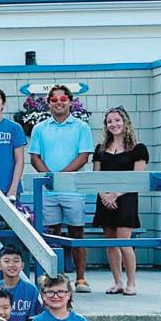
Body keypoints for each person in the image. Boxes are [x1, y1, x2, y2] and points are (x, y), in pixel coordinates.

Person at [29, 84, 94, 293]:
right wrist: (50, 178)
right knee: (51, 233)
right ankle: (51, 279)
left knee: (77, 232)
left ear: (70, 101)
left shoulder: (81, 127)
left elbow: (83, 156)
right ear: (48, 103)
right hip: (49, 190)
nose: (59, 103)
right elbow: (34, 157)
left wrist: (61, 178)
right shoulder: (40, 129)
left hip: (73, 189)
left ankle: (81, 279)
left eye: (63, 99)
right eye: (54, 100)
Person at [92, 107, 148, 295]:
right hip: (105, 199)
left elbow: (137, 178)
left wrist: (115, 194)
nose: (113, 124)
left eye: (117, 120)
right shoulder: (100, 149)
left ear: (125, 122)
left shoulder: (138, 149)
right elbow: (95, 176)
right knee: (110, 243)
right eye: (109, 121)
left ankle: (131, 283)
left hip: (126, 199)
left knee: (124, 241)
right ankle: (117, 282)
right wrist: (104, 195)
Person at [0, 245, 42, 321]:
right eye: (6, 261)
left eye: (16, 261)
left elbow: (32, 319)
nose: (11, 265)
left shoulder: (31, 290)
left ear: (22, 265)